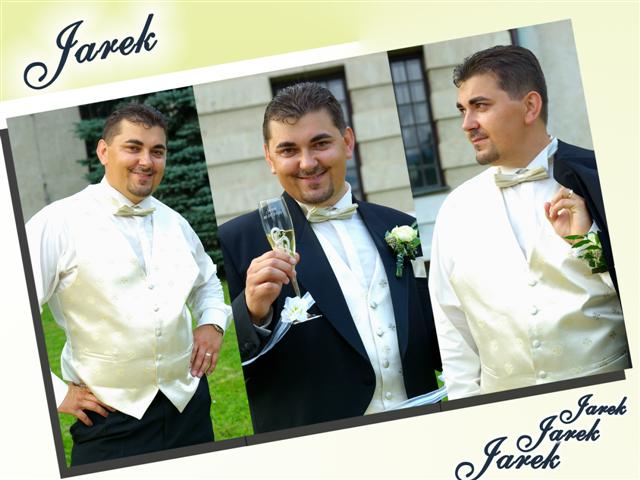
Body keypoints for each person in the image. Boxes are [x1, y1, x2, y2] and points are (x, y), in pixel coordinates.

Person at [218, 82, 441, 433]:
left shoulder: (400, 226)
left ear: (347, 142)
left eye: (320, 144)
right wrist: (254, 313)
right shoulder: (236, 241)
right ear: (270, 158)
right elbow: (232, 367)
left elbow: (437, 334)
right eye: (288, 150)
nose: (307, 163)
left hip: (421, 426)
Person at [26, 103, 231, 464]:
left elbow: (208, 284)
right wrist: (54, 392)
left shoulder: (176, 222)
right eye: (133, 147)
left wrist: (213, 322)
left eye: (157, 151)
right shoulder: (57, 223)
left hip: (189, 407)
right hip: (109, 420)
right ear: (104, 151)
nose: (146, 161)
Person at [429, 45, 630, 399]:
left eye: (480, 106)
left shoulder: (606, 178)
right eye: (463, 110)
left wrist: (589, 243)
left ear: (530, 107)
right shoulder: (454, 210)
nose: (467, 124)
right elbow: (452, 326)